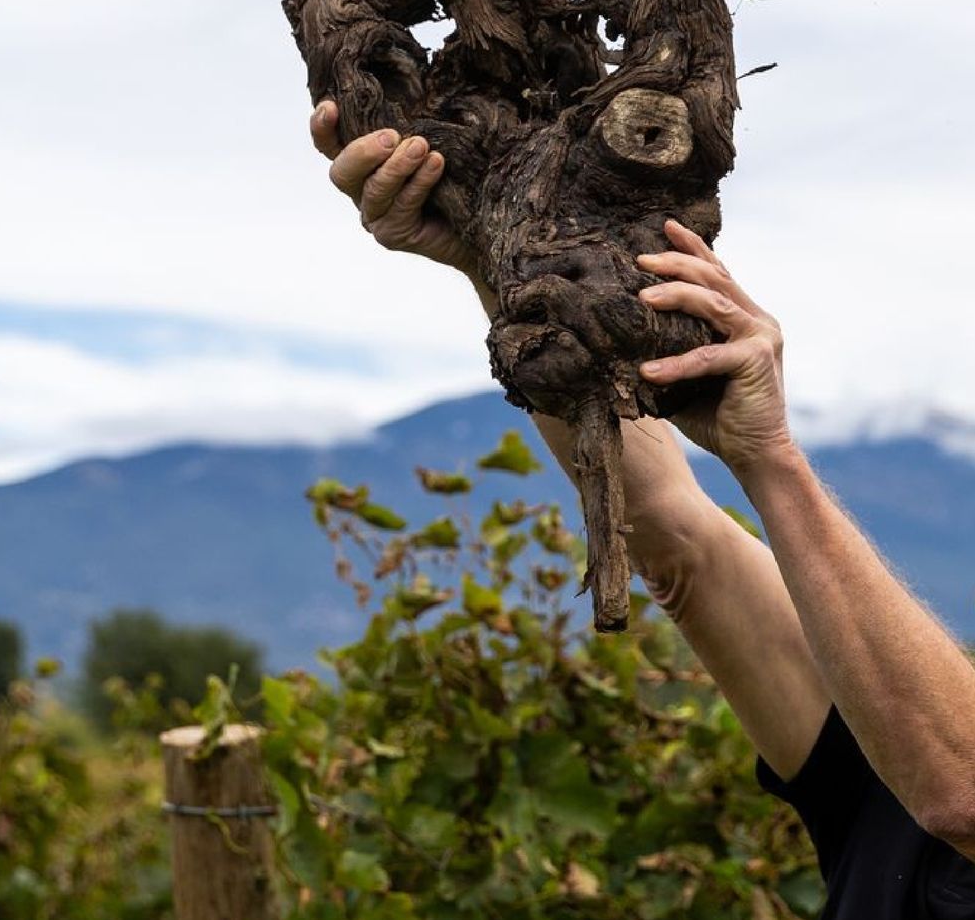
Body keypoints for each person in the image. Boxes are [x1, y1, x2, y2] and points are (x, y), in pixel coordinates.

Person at [310, 101, 975, 918]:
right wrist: (510, 258)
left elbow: (962, 796)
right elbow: (672, 535)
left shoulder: (930, 772)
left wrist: (769, 458)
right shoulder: (889, 768)